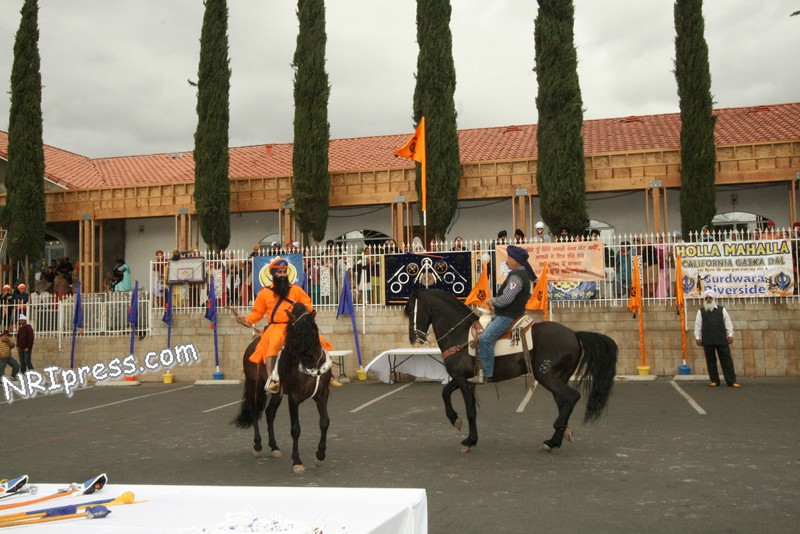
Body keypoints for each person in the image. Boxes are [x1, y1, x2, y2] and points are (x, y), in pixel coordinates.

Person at [237, 257, 339, 393]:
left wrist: (304, 307)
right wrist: (246, 320)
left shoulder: (296, 290)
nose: (283, 275)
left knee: (319, 341)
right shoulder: (264, 293)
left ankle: (328, 375)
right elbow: (257, 314)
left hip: (295, 326)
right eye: (279, 272)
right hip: (276, 327)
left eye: (284, 272)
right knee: (273, 344)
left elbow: (308, 304)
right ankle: (273, 380)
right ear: (273, 274)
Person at [469, 245, 537, 384]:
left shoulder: (516, 278)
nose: (507, 261)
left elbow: (506, 299)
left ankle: (487, 374)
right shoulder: (520, 274)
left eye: (509, 258)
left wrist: (493, 300)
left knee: (485, 339)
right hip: (510, 312)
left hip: (508, 315)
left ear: (517, 261)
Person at [694, 289, 740, 388]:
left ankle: (731, 381)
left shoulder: (721, 309)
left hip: (721, 338)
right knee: (710, 361)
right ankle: (714, 380)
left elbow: (728, 323)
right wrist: (697, 337)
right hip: (707, 339)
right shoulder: (701, 311)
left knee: (726, 360)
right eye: (706, 298)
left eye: (710, 298)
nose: (708, 300)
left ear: (713, 298)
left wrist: (730, 334)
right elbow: (698, 325)